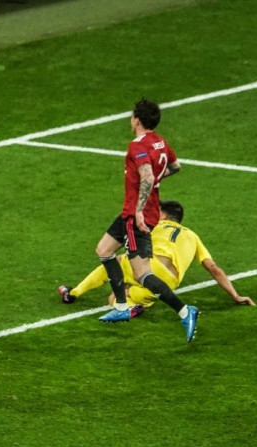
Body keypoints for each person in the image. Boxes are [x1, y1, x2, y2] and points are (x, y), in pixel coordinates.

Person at [95, 99, 199, 342]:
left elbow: (148, 176)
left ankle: (185, 311)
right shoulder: (160, 142)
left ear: (137, 120)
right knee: (104, 250)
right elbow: (175, 166)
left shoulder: (137, 146)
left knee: (142, 274)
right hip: (135, 213)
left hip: (137, 215)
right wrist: (154, 186)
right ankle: (121, 307)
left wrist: (139, 209)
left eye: (132, 115)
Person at [59, 200, 255, 310]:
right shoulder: (193, 237)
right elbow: (214, 268)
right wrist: (236, 296)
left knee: (112, 261)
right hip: (168, 282)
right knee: (115, 298)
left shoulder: (153, 224)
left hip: (150, 268)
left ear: (164, 216)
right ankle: (131, 306)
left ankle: (73, 293)